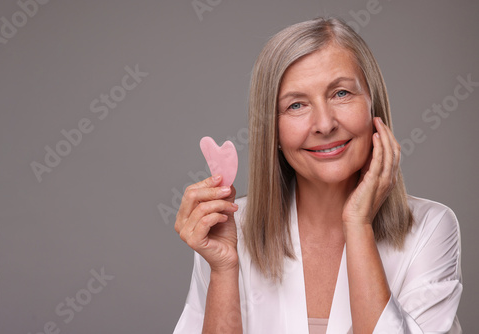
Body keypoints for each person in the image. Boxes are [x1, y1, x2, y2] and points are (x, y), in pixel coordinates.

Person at [173, 17, 462, 334]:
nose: (324, 124)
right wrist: (224, 268)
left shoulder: (431, 228)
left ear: (373, 106)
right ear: (273, 131)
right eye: (296, 105)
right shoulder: (228, 231)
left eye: (340, 94)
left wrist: (358, 224)